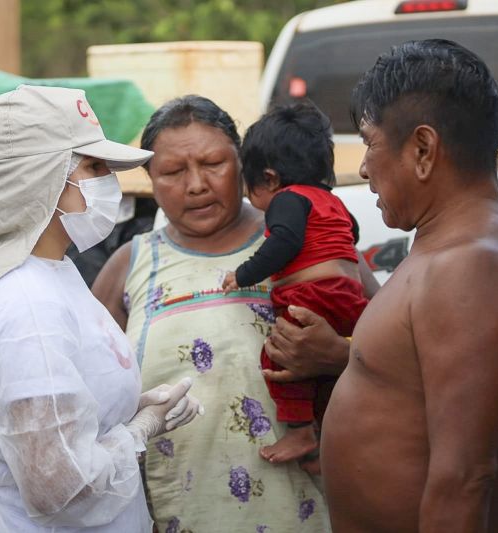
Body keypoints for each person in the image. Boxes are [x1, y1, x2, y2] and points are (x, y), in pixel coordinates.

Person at [0, 85, 202, 533]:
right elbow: (59, 489)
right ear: (43, 176)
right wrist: (139, 430)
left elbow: (42, 420)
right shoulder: (28, 307)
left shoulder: (37, 272)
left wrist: (126, 411)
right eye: (93, 166)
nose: (110, 181)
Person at [93, 95, 376, 532]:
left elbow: (399, 359)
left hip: (306, 510)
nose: (196, 185)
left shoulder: (311, 240)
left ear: (245, 166)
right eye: (172, 171)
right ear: (149, 178)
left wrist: (340, 355)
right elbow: (91, 402)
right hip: (179, 512)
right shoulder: (129, 266)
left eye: (213, 164)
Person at [320, 40, 498, 533]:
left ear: (423, 150)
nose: (364, 167)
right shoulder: (484, 239)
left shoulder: (469, 267)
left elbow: (465, 479)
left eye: (370, 142)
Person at [222, 102, 368, 464]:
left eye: (249, 188)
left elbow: (283, 243)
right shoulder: (331, 200)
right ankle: (327, 433)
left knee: (279, 354)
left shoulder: (287, 199)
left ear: (269, 178)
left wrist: (242, 274)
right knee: (322, 372)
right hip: (350, 295)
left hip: (312, 294)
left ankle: (300, 431)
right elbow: (353, 232)